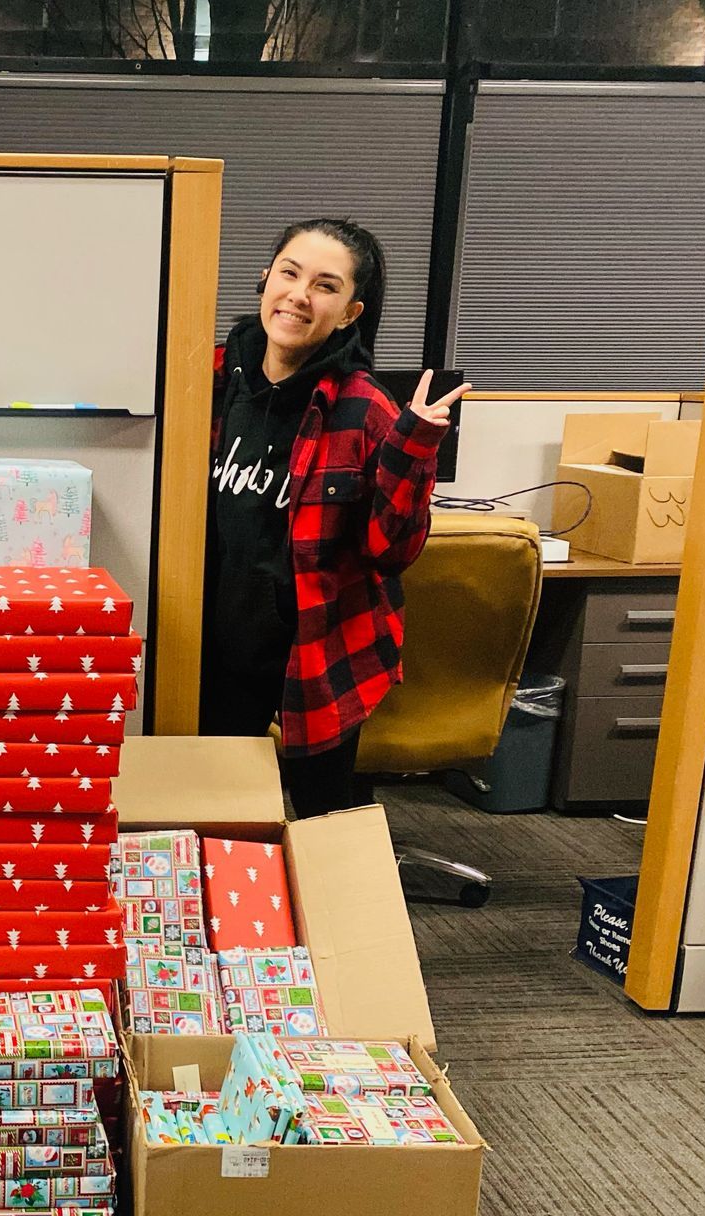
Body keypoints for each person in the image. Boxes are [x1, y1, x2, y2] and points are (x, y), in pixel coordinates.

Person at [198, 218, 468, 819]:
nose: (299, 294)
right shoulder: (211, 380)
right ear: (265, 278)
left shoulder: (364, 406)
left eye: (325, 285)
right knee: (219, 817)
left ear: (349, 312)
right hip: (215, 647)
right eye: (289, 273)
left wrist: (414, 446)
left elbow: (390, 551)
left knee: (323, 821)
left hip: (315, 652)